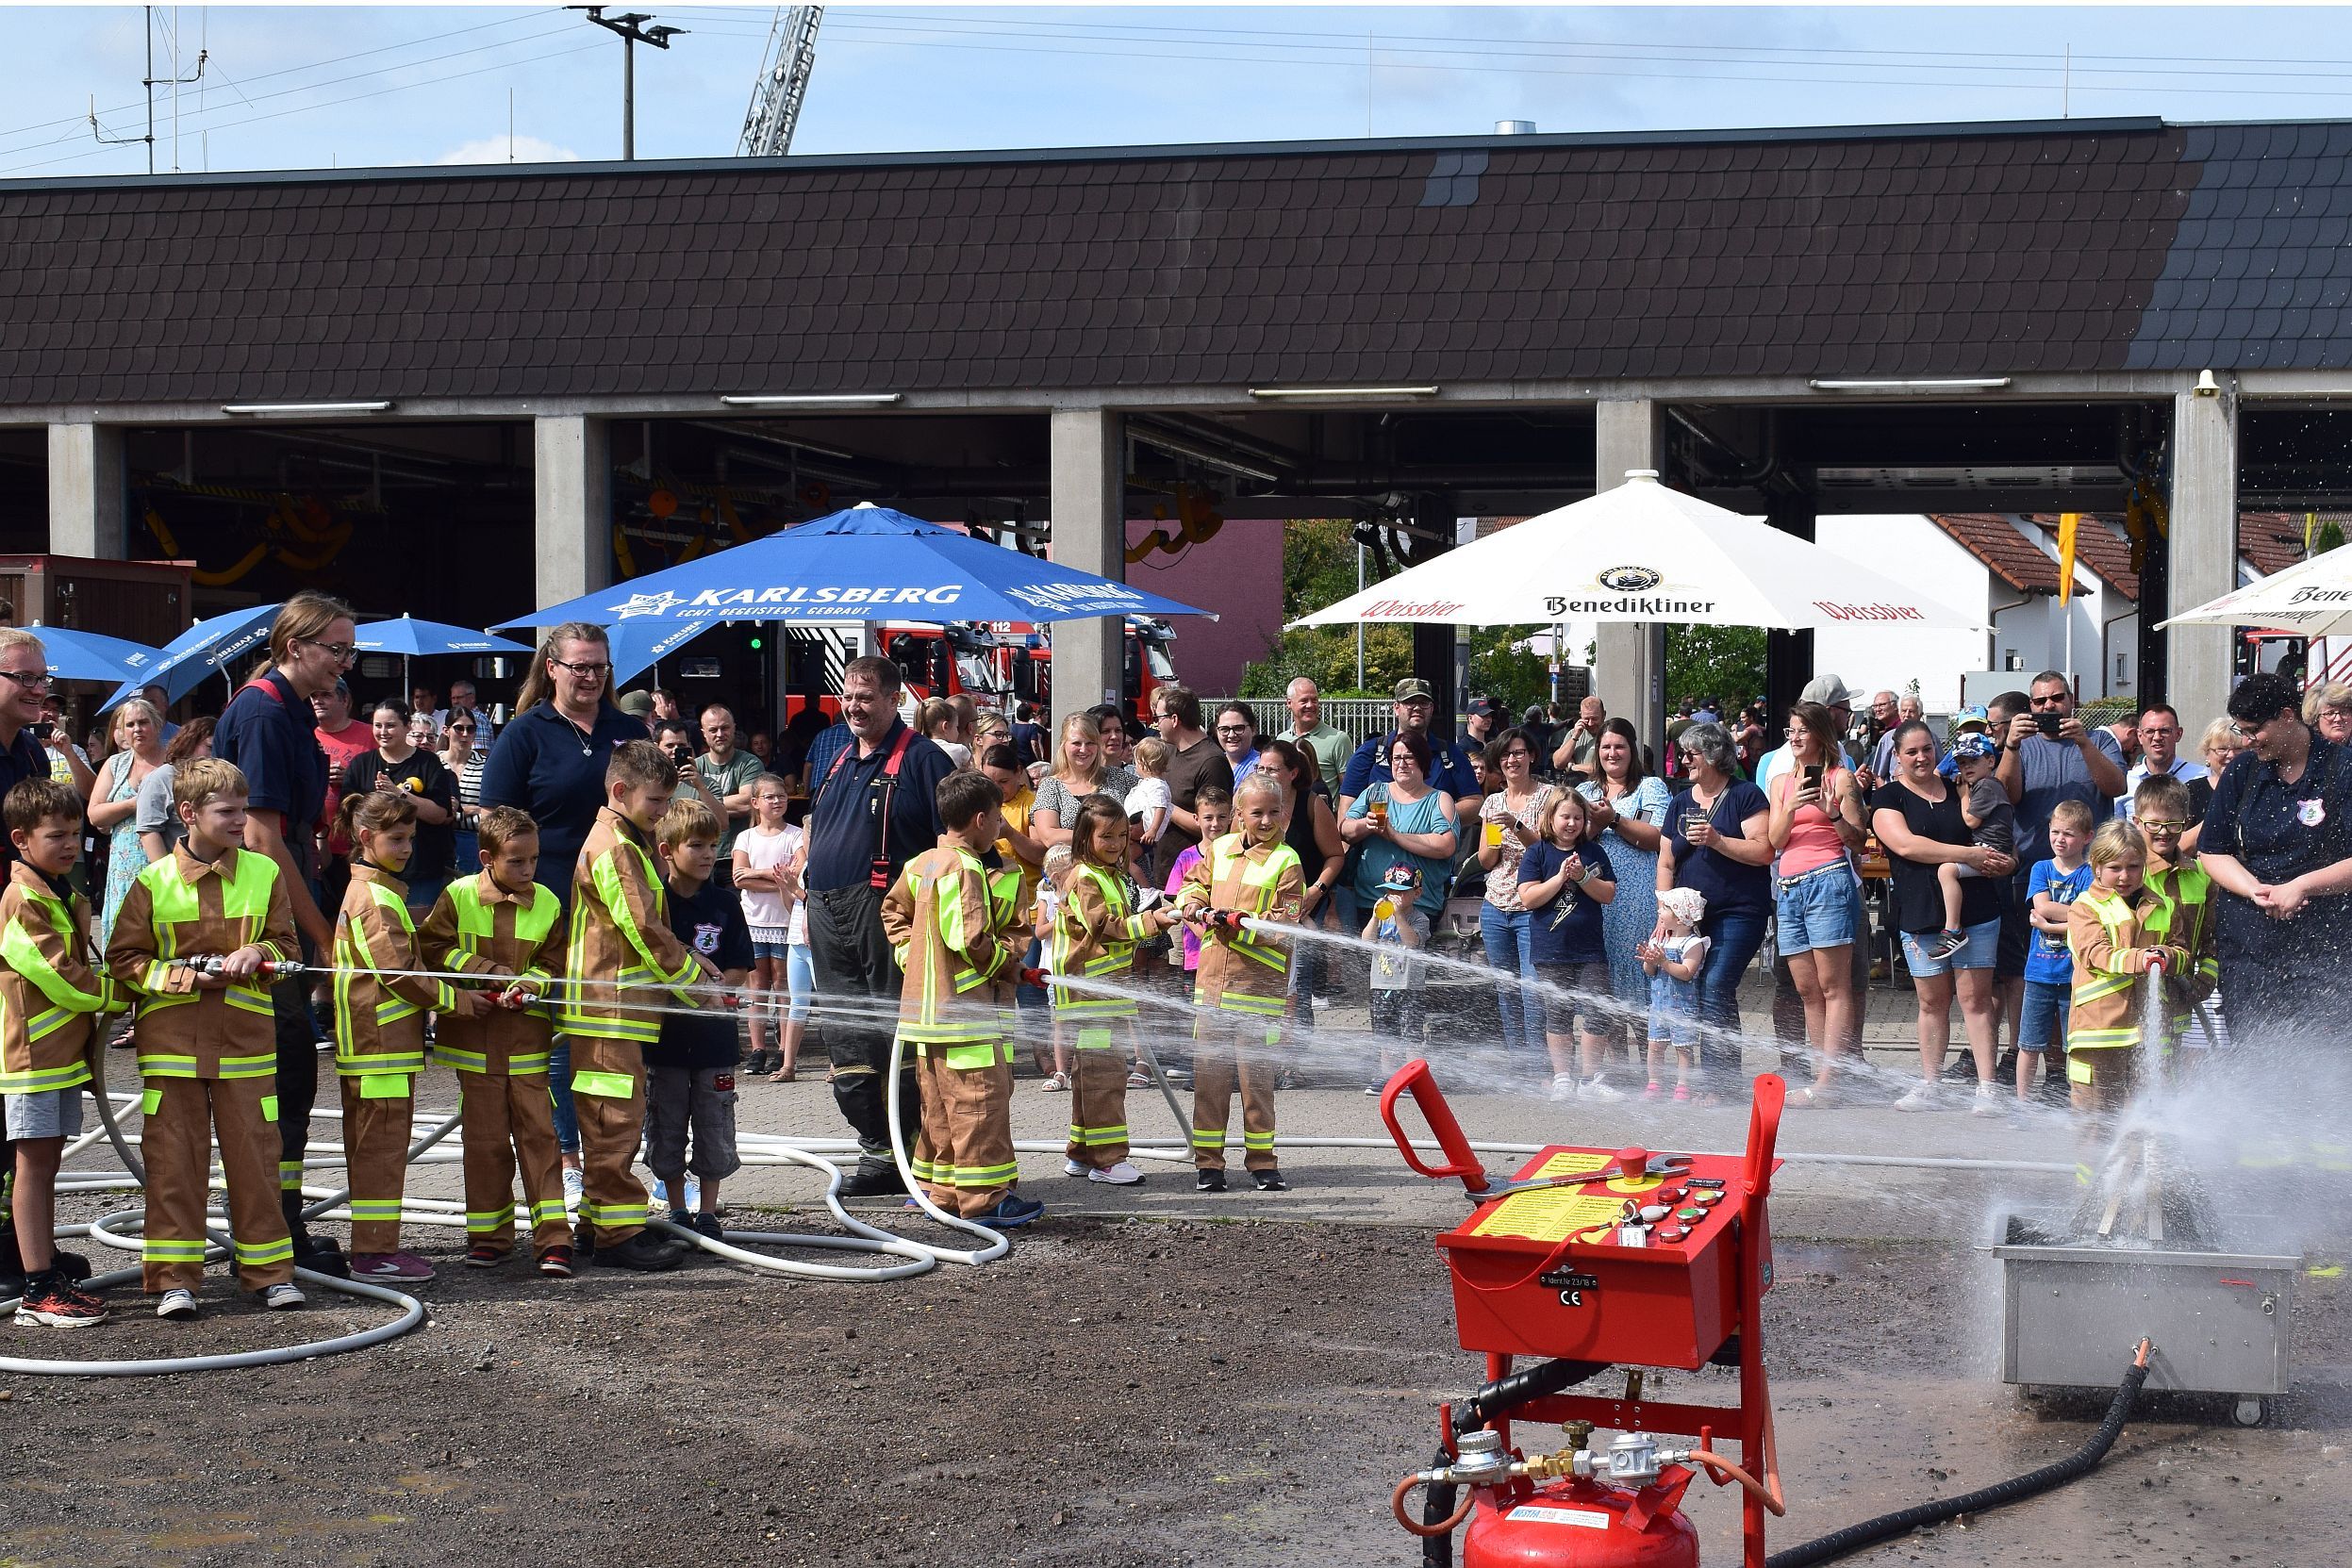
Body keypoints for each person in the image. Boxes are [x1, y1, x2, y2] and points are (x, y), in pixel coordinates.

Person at [106, 757, 304, 1318]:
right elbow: (124, 960)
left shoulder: (264, 874)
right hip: (172, 1048)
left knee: (256, 1162)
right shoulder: (152, 882)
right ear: (187, 814)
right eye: (229, 812)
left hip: (245, 1047)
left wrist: (258, 952)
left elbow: (289, 948)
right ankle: (175, 1280)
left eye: (243, 809)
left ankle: (269, 1273)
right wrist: (185, 975)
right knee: (173, 1163)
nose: (242, 821)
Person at [209, 592, 354, 1279]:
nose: (344, 663)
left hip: (282, 896)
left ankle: (280, 1221)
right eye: (335, 648)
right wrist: (322, 934)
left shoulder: (289, 710)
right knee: (280, 1071)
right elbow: (265, 840)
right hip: (265, 917)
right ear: (294, 646)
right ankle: (270, 1229)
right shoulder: (266, 712)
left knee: (289, 1076)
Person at [481, 622, 651, 1204]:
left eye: (599, 666)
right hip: (546, 909)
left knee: (611, 1037)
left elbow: (661, 809)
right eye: (578, 665)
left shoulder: (628, 733)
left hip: (615, 914)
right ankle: (568, 1160)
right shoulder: (526, 734)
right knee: (556, 1040)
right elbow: (495, 822)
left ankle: (617, 1161)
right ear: (551, 667)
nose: (589, 676)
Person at [803, 656, 954, 1197]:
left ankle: (918, 1149)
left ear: (895, 700)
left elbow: (956, 847)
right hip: (824, 913)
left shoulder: (923, 760)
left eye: (866, 697)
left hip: (885, 916)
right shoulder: (838, 759)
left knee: (897, 1034)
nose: (853, 706)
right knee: (847, 1034)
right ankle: (878, 1148)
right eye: (848, 695)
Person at [559, 739, 712, 1272]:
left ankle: (598, 1223)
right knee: (614, 1121)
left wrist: (684, 958)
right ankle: (618, 1235)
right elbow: (642, 925)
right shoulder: (617, 848)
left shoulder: (623, 837)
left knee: (610, 1119)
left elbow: (642, 926)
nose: (663, 814)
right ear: (621, 791)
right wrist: (693, 980)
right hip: (610, 1009)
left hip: (615, 1006)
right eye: (656, 803)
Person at [881, 768, 1042, 1228]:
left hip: (924, 1013)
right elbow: (968, 939)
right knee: (978, 1104)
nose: (1000, 827)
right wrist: (1010, 969)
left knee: (938, 1104)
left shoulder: (922, 862)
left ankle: (942, 1191)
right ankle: (985, 1200)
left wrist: (912, 958)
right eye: (997, 819)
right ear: (979, 819)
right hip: (966, 1011)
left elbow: (893, 913)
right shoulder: (967, 867)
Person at [418, 804, 572, 1276]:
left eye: (533, 860)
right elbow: (431, 949)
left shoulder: (547, 901)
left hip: (527, 1039)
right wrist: (485, 975)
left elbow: (556, 961)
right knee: (484, 1143)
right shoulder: (458, 895)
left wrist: (531, 986)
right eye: (516, 861)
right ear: (486, 857)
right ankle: (488, 1236)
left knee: (540, 1140)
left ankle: (553, 1240)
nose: (528, 870)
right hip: (475, 1040)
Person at [330, 786, 470, 1283]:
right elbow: (398, 974)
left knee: (378, 1148)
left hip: (378, 1047)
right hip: (379, 1051)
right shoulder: (376, 897)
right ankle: (374, 1253)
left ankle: (376, 1247)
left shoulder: (376, 891)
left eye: (410, 837)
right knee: (380, 1152)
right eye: (397, 838)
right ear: (366, 837)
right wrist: (460, 1001)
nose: (407, 847)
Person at [1, 777, 120, 1327]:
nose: (71, 845)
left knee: (46, 1166)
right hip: (31, 1059)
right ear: (21, 838)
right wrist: (126, 991)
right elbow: (62, 980)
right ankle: (36, 1288)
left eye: (75, 833)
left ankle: (45, 1267)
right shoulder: (24, 899)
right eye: (57, 836)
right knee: (33, 1166)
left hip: (59, 1056)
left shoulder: (59, 893)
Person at [2197, 671, 2352, 1048]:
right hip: (2251, 941)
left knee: (2322, 1047)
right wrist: (2257, 892)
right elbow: (2211, 851)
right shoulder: (2242, 771)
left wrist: (2300, 887)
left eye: (2253, 730)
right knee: (2253, 1046)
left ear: (2286, 716)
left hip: (2324, 940)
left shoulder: (2342, 767)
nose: (2245, 740)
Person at [1871, 719, 2012, 1114]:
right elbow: (1906, 845)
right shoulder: (1888, 798)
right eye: (1911, 751)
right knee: (1932, 1003)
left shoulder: (1961, 787)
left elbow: (1995, 828)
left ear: (1937, 750)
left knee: (1977, 1000)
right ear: (1896, 756)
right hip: (1920, 911)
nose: (1921, 757)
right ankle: (1931, 1083)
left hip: (1977, 908)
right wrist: (1966, 855)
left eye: (1927, 749)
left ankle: (1987, 1088)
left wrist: (2005, 860)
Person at [1178, 772, 1304, 1194]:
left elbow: (1285, 924)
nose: (1266, 820)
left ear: (1284, 813)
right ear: (1238, 815)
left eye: (1274, 812)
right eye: (1257, 813)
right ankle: (1209, 1166)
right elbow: (1191, 886)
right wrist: (1196, 908)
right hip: (1212, 990)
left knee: (1257, 1084)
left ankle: (1263, 1164)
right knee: (1209, 1082)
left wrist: (1240, 925)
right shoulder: (1220, 848)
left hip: (1258, 994)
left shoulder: (1287, 861)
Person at [1048, 792, 1180, 1187]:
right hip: (1093, 996)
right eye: (1107, 836)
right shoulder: (1087, 878)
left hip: (1096, 995)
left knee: (1090, 1074)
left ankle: (1082, 1153)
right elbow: (1106, 926)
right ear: (1084, 838)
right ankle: (1108, 1161)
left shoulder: (1106, 875)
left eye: (1122, 835)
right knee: (1105, 1076)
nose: (1117, 843)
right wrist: (1153, 921)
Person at [648, 797, 752, 1239]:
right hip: (664, 1043)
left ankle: (707, 1213)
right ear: (667, 850)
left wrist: (712, 991)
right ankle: (676, 1208)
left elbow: (738, 967)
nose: (709, 854)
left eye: (714, 845)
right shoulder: (654, 905)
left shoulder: (725, 905)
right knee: (666, 1123)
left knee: (714, 1123)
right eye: (697, 845)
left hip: (714, 1043)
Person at [1655, 721, 1770, 1098]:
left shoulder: (1745, 795)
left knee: (1717, 984)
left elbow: (1763, 850)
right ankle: (1709, 1079)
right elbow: (1666, 861)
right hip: (1690, 918)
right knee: (1695, 987)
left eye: (1691, 754)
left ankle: (1721, 1083)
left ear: (1714, 756)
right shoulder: (1680, 801)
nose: (1683, 761)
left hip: (1739, 910)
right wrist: (1663, 910)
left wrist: (1718, 841)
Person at [1764, 701, 1868, 1107]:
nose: (1794, 736)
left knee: (1834, 986)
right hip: (1788, 888)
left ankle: (1829, 1079)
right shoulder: (1779, 784)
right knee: (1807, 990)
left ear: (1821, 734)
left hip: (1828, 881)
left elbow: (1859, 840)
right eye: (1790, 729)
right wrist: (1791, 808)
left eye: (1802, 730)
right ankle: (1824, 1073)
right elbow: (1774, 841)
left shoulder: (1841, 778)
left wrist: (1832, 814)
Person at [2064, 821, 2182, 1117]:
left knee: (2144, 1122)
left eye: (2133, 866)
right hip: (2099, 1033)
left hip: (2149, 1033)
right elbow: (2095, 954)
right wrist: (2141, 960)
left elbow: (2183, 952)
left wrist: (2167, 955)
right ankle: (2091, 1168)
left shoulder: (2163, 905)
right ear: (2097, 867)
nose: (2125, 876)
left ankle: (2137, 1167)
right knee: (2094, 1122)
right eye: (2115, 867)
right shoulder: (2085, 907)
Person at [1579, 718, 1671, 1061]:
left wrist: (1614, 820)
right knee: (1606, 983)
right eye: (1605, 747)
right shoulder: (1586, 792)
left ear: (1632, 750)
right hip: (1596, 898)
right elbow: (1570, 837)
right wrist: (1592, 827)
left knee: (1641, 979)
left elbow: (1659, 839)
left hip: (1638, 899)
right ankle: (1617, 1067)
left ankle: (1652, 1069)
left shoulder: (1651, 788)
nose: (1612, 753)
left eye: (1619, 746)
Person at [1519, 789, 1620, 1101]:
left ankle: (1591, 1078)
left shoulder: (1594, 853)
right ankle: (1562, 1077)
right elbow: (1527, 897)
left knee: (1598, 1009)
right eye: (1565, 816)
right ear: (1551, 818)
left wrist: (1583, 877)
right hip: (1551, 950)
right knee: (1558, 1012)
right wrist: (1560, 878)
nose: (1572, 823)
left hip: (1590, 949)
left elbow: (1607, 894)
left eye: (1578, 818)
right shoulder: (1537, 853)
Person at [1474, 728, 1558, 1061]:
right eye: (1506, 755)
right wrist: (1495, 837)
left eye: (1519, 753)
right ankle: (1519, 1063)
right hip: (1495, 904)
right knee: (1505, 989)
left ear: (1532, 756)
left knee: (1532, 991)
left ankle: (1540, 1065)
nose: (1512, 760)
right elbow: (1485, 859)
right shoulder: (1493, 801)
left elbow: (1550, 852)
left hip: (1533, 905)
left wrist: (1517, 826)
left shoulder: (1550, 796)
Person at [342, 700, 456, 916]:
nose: (383, 732)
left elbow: (440, 814)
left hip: (420, 869)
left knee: (415, 934)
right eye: (378, 725)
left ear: (407, 727)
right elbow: (349, 813)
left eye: (390, 725)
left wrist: (399, 794)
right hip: (372, 871)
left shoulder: (428, 763)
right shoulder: (360, 764)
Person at [2133, 773, 2221, 1047]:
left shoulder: (2201, 876)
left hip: (2178, 1002)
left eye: (2173, 824)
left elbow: (2212, 938)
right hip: (2127, 1008)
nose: (2164, 832)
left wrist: (2206, 977)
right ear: (2137, 823)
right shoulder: (2126, 875)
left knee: (2168, 1079)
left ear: (2186, 822)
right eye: (2154, 825)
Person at [1258, 739, 1342, 1023]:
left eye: (1272, 769)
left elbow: (1335, 856)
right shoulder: (1248, 805)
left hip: (1301, 907)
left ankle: (1297, 1053)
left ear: (1292, 773)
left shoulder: (1312, 804)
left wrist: (1317, 892)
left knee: (1299, 981)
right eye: (1260, 768)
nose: (1264, 774)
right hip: (1262, 905)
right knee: (1266, 979)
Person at [1340, 732, 1459, 931]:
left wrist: (1394, 835)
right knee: (1370, 963)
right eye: (1396, 758)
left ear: (1422, 760)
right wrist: (1366, 824)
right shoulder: (1374, 792)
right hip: (1371, 904)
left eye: (1409, 757)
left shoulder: (1439, 799)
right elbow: (1345, 829)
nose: (1401, 763)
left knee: (1408, 962)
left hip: (1419, 908)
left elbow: (1445, 846)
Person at [2020, 800, 2095, 1103]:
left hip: (2074, 975)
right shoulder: (2041, 868)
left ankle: (2076, 1102)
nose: (2060, 840)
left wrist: (2050, 925)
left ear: (2087, 837)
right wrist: (2073, 915)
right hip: (2038, 973)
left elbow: (2089, 919)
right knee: (2028, 1043)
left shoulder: (2091, 874)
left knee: (2073, 1046)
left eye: (2069, 834)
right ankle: (2022, 1104)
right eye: (2055, 832)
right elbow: (2043, 906)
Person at [732, 774, 805, 1080]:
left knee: (783, 986)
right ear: (755, 803)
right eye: (770, 797)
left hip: (785, 921)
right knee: (758, 987)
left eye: (781, 796)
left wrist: (760, 877)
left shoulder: (796, 835)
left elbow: (798, 871)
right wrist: (775, 877)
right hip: (753, 920)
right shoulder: (746, 838)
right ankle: (758, 1048)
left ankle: (784, 1051)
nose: (777, 801)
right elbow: (739, 877)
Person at [1340, 679, 1482, 834]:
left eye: (1424, 703)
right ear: (1396, 708)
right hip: (1378, 851)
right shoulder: (1370, 752)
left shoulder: (1449, 754)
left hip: (1431, 852)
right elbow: (1346, 814)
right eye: (1410, 702)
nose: (1417, 708)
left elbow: (1475, 804)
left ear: (1432, 709)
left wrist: (1428, 817)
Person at [1926, 733, 2014, 962]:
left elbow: (1971, 820)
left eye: (1973, 761)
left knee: (1947, 870)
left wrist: (1964, 795)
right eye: (1962, 763)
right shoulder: (1984, 785)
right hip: (1989, 849)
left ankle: (1953, 929)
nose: (1967, 768)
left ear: (1991, 761)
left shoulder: (1986, 786)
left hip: (1992, 852)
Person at [1160, 785, 1231, 1061]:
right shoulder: (1187, 857)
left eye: (1221, 817)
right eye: (1209, 817)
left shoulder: (1236, 857)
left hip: (1228, 952)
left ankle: (1224, 1064)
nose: (1215, 824)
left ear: (1232, 817)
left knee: (1224, 1010)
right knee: (1198, 1009)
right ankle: (1196, 1062)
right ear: (1197, 819)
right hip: (1196, 952)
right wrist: (1205, 935)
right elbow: (1180, 905)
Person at [90, 698, 169, 941]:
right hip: (122, 870)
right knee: (123, 942)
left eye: (143, 722)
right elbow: (94, 814)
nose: (137, 729)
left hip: (163, 860)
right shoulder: (115, 764)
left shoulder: (173, 760)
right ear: (121, 731)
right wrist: (135, 804)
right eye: (130, 724)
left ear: (157, 725)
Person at [1148, 684, 1237, 883]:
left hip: (1196, 878)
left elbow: (1216, 826)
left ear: (1174, 719)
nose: (1156, 725)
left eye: (1159, 718)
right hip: (1164, 872)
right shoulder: (1169, 752)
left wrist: (1164, 807)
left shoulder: (1211, 762)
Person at [1362, 864, 1430, 1091]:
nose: (1394, 897)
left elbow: (1411, 942)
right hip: (1381, 984)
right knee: (1384, 1032)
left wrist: (1399, 916)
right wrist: (1374, 918)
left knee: (1411, 1032)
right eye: (1390, 892)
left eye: (1400, 892)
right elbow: (1366, 942)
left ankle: (1413, 1078)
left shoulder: (1420, 919)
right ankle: (1387, 1074)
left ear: (1416, 893)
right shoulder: (1382, 917)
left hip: (1408, 986)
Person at [1031, 712, 1137, 851]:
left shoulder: (1119, 777)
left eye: (1090, 743)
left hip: (1124, 869)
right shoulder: (1051, 786)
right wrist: (1101, 836)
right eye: (1076, 743)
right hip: (1075, 871)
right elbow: (1049, 836)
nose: (1084, 749)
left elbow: (1156, 798)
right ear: (1064, 745)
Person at [1640, 886, 1709, 1101]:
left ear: (1680, 918)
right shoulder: (1659, 941)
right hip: (1659, 1007)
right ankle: (1654, 1084)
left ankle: (1683, 1086)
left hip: (1682, 1010)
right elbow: (1650, 973)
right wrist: (1650, 963)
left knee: (1684, 1049)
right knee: (1654, 1046)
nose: (1660, 911)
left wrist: (1664, 962)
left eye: (1666, 908)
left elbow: (1687, 973)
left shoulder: (1693, 944)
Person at [311, 679, 373, 869]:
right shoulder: (306, 734)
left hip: (358, 845)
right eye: (314, 695)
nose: (317, 701)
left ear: (345, 700)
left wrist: (351, 779)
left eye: (326, 695)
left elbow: (386, 783)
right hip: (315, 844)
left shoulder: (370, 735)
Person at [137, 717, 215, 863]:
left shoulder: (221, 779)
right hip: (179, 874)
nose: (216, 754)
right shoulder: (161, 778)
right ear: (190, 742)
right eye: (210, 747)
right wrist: (166, 878)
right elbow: (148, 831)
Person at [2116, 703, 2201, 818]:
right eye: (2150, 731)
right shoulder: (2125, 782)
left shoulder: (2201, 777)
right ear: (2140, 736)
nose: (2157, 737)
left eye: (2165, 730)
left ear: (2178, 734)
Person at [1277, 678, 1352, 801]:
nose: (1310, 705)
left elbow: (1348, 789)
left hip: (1324, 816)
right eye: (1304, 700)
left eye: (1314, 700)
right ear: (1289, 703)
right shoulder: (1282, 740)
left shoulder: (1338, 739)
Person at [2180, 716, 2244, 855]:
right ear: (2207, 754)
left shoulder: (2259, 788)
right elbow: (2178, 847)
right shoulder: (2191, 791)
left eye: (2239, 748)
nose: (2231, 755)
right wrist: (2218, 815)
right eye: (2222, 749)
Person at [442, 709, 487, 873]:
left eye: (471, 729)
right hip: (441, 838)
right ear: (446, 731)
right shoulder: (433, 763)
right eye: (459, 728)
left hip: (475, 839)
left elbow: (500, 808)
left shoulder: (486, 765)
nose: (465, 734)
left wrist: (472, 810)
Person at [1124, 736, 1174, 876]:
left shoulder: (1156, 785)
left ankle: (1145, 887)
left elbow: (1160, 807)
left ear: (1144, 763)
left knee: (1126, 861)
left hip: (1145, 834)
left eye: (1136, 762)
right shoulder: (1149, 783)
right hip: (1139, 830)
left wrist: (1152, 830)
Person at [1550, 695, 1608, 784]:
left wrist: (1572, 767)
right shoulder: (1574, 733)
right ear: (1580, 715)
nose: (1590, 723)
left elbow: (1601, 768)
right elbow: (1558, 763)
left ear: (1604, 715)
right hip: (1575, 791)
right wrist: (1575, 737)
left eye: (1594, 719)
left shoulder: (1609, 735)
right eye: (1586, 719)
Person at [919, 697, 971, 770]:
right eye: (956, 727)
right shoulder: (960, 750)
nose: (958, 732)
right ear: (945, 726)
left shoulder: (918, 749)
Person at [2305, 680, 2352, 747]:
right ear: (2316, 720)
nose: (2338, 719)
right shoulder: (2306, 751)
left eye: (2344, 712)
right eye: (2329, 713)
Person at [1011, 701, 1049, 771]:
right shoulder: (1031, 728)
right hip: (1028, 761)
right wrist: (1040, 759)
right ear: (1029, 715)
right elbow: (1035, 745)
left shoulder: (1012, 727)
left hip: (1015, 759)